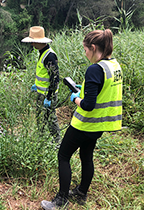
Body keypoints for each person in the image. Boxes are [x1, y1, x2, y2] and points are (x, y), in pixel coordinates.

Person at [41, 29, 123, 209]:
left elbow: (88, 105)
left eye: (86, 50)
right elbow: (102, 91)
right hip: (99, 125)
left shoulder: (95, 69)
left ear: (93, 48)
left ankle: (61, 200)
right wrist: (84, 90)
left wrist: (76, 98)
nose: (85, 54)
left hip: (85, 124)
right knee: (86, 156)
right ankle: (81, 192)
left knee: (63, 156)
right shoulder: (114, 66)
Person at [21, 26, 61, 144]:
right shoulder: (42, 53)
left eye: (33, 41)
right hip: (41, 93)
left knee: (50, 119)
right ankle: (41, 140)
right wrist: (36, 85)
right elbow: (44, 75)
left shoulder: (50, 56)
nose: (32, 44)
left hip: (48, 95)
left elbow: (55, 78)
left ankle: (57, 143)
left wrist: (49, 97)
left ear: (40, 42)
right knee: (40, 117)